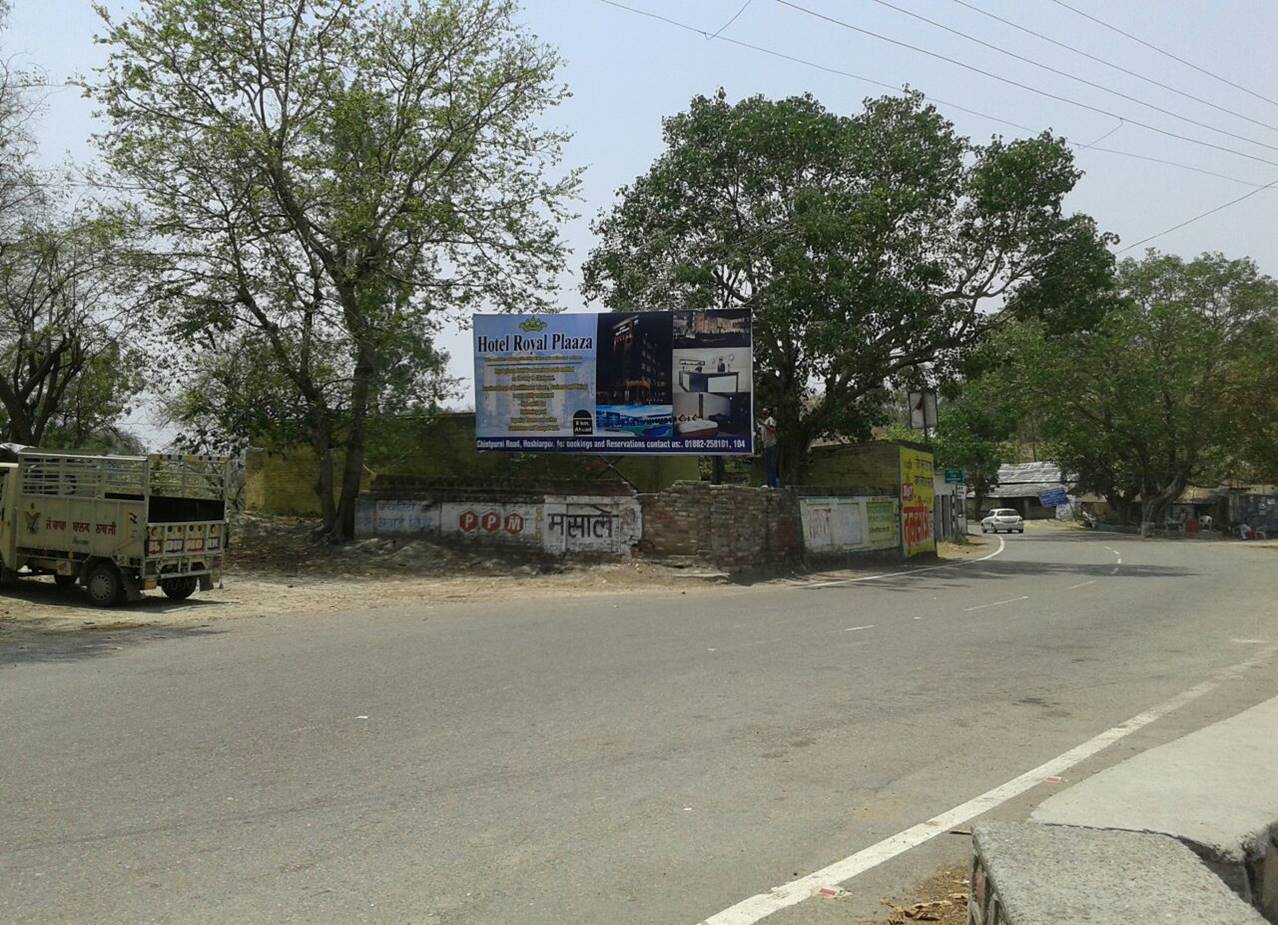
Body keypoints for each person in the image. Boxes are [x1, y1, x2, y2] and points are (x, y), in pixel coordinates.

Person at [759, 408, 779, 488]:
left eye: (765, 413)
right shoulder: (764, 422)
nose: (763, 414)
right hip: (766, 446)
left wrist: (763, 425)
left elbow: (773, 430)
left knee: (772, 465)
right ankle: (768, 483)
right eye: (763, 413)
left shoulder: (770, 420)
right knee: (767, 466)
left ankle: (773, 484)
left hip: (771, 445)